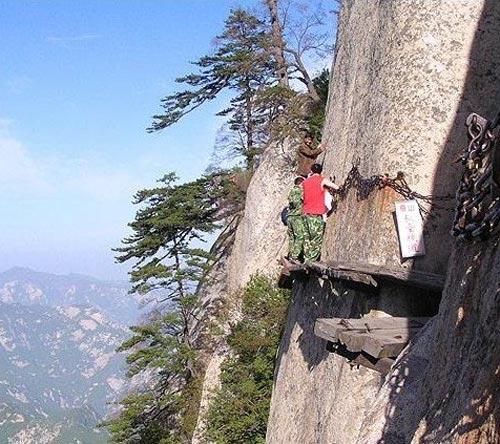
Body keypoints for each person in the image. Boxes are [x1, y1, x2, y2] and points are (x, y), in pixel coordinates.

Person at [302, 163, 340, 263]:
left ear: (311, 170)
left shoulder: (305, 182)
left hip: (305, 214)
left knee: (307, 239)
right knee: (316, 239)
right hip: (316, 215)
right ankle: (311, 261)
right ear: (321, 171)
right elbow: (336, 187)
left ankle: (306, 259)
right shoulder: (322, 180)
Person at [286, 176, 306, 263]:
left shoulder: (291, 191)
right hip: (297, 217)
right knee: (300, 236)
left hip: (290, 217)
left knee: (292, 237)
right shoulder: (300, 191)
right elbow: (301, 201)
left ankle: (291, 255)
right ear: (301, 183)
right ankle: (295, 256)